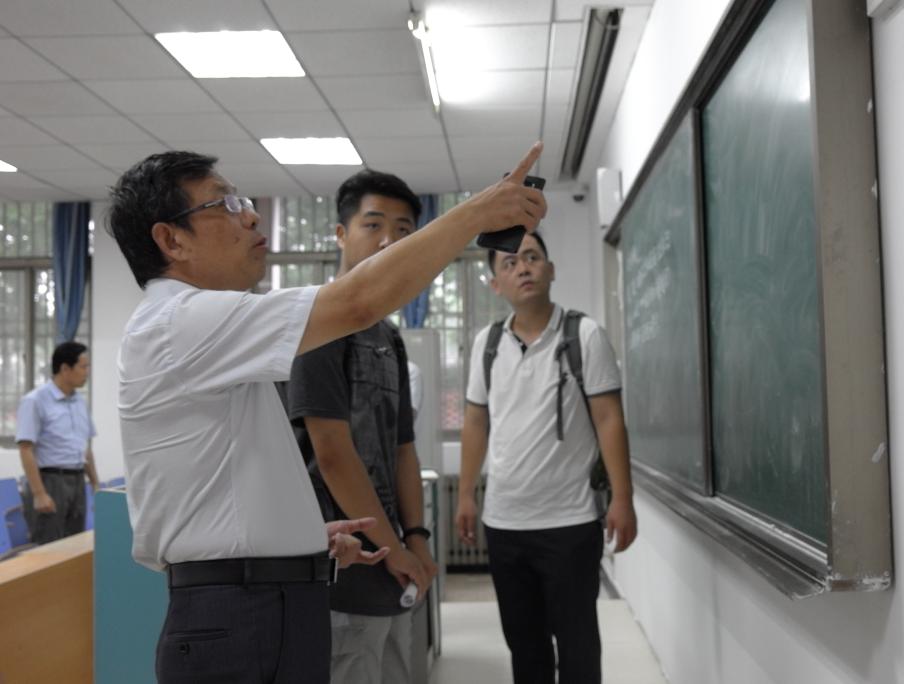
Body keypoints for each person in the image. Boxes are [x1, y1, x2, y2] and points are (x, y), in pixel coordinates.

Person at [107, 144, 545, 683]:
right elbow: (358, 304)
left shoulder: (212, 331)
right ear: (172, 239)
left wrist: (301, 534)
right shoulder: (180, 321)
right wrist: (477, 213)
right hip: (237, 609)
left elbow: (229, 476)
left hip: (268, 595)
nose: (251, 216)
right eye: (225, 205)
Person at [456, 232, 638, 684]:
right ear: (495, 283)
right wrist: (465, 494)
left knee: (578, 646)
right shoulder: (487, 344)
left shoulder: (584, 335)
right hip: (505, 524)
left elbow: (609, 419)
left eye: (532, 257)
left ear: (551, 269)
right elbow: (475, 422)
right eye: (510, 263)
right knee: (525, 648)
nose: (523, 267)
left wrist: (623, 498)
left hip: (570, 523)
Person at [286, 170, 438, 684]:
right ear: (340, 234)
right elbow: (331, 453)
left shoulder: (388, 337)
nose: (389, 241)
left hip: (392, 567)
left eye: (403, 229)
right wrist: (395, 550)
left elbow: (404, 449)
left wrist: (416, 539)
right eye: (373, 225)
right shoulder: (318, 324)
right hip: (343, 569)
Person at [16, 341, 100, 544]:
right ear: (65, 368)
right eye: (83, 367)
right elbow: (25, 449)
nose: (87, 372)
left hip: (77, 481)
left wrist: (95, 484)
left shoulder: (79, 402)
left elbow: (85, 449)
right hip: (51, 481)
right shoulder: (35, 400)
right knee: (49, 547)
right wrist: (39, 494)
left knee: (75, 546)